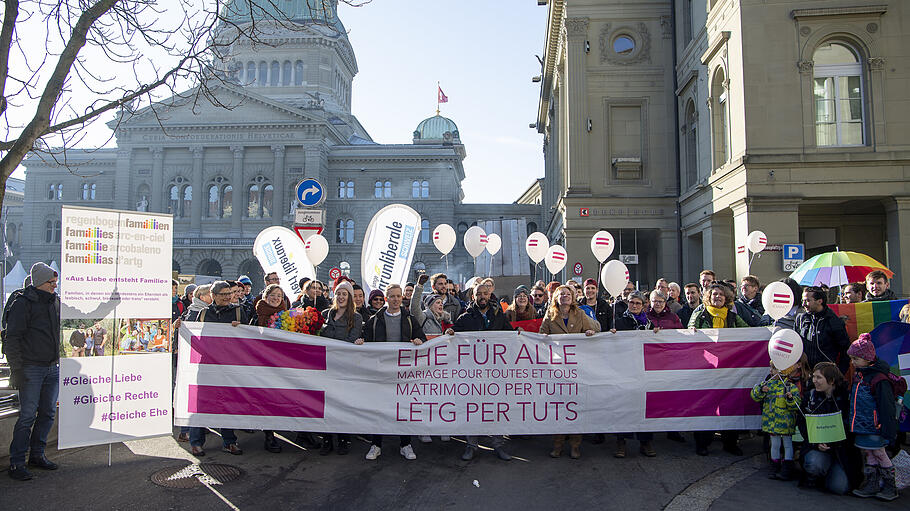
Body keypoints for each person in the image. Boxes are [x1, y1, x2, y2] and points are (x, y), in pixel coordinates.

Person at [5, 263, 61, 481]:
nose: (55, 286)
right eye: (51, 283)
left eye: (55, 283)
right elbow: (13, 338)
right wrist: (16, 369)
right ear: (39, 283)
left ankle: (37, 454)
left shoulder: (54, 302)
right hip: (31, 368)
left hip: (51, 367)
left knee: (48, 413)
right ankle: (16, 462)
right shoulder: (23, 304)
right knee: (27, 416)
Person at [448, 283, 514, 461]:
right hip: (473, 373)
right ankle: (471, 445)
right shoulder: (465, 317)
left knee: (496, 409)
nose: (482, 296)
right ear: (473, 296)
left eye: (485, 293)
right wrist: (451, 332)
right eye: (479, 294)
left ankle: (498, 444)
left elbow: (510, 336)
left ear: (490, 295)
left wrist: (520, 334)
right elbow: (455, 334)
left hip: (495, 372)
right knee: (472, 408)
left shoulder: (499, 316)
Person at [182, 280, 248, 457]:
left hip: (229, 365)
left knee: (227, 403)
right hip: (206, 366)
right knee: (200, 403)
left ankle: (229, 441)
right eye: (224, 295)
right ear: (213, 296)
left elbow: (250, 338)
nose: (228, 297)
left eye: (229, 294)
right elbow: (193, 338)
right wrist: (179, 328)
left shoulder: (238, 312)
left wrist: (240, 329)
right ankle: (196, 442)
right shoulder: (202, 314)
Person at [361, 284, 425, 461]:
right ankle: (376, 444)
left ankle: (405, 444)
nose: (396, 299)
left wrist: (419, 340)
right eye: (392, 296)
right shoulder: (375, 319)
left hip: (404, 372)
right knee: (379, 408)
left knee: (403, 408)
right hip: (381, 371)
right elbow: (366, 339)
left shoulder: (410, 319)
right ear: (386, 298)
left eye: (398, 296)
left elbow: (423, 338)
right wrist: (361, 341)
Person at [539, 285, 599, 459]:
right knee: (558, 407)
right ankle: (557, 445)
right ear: (556, 298)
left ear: (573, 298)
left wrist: (590, 332)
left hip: (576, 368)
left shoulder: (580, 314)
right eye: (561, 294)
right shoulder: (550, 315)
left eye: (567, 294)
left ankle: (575, 445)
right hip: (557, 369)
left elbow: (596, 329)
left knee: (575, 406)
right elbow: (541, 335)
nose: (564, 297)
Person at [689, 282, 748, 456]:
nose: (718, 297)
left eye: (721, 295)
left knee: (730, 405)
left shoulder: (732, 316)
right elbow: (690, 328)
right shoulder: (700, 314)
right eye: (714, 294)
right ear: (708, 297)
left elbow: (749, 332)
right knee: (706, 406)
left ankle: (730, 443)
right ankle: (702, 443)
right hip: (706, 368)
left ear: (727, 298)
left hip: (729, 368)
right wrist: (693, 330)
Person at [846, 334, 900, 500]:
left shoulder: (878, 379)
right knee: (869, 453)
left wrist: (887, 430)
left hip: (875, 426)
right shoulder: (860, 375)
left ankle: (890, 486)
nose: (853, 362)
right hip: (863, 425)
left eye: (856, 358)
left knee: (879, 452)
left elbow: (886, 407)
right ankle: (872, 483)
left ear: (867, 359)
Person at [610, 291, 657, 457]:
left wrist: (657, 335)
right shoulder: (619, 321)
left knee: (644, 405)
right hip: (623, 369)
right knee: (623, 405)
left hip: (643, 369)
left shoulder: (650, 324)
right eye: (632, 303)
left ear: (643, 305)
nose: (634, 306)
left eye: (638, 303)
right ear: (627, 303)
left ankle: (645, 442)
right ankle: (621, 442)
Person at [318, 281, 363, 456]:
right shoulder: (324, 314)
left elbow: (352, 339)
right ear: (334, 296)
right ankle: (327, 438)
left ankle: (344, 438)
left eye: (345, 294)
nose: (341, 297)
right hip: (326, 365)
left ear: (350, 297)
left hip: (345, 366)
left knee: (343, 403)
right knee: (327, 403)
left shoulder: (356, 317)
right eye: (339, 294)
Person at [799, 362, 854, 495]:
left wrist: (834, 442)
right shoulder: (810, 396)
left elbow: (850, 426)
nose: (814, 381)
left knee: (839, 488)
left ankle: (831, 474)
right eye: (814, 377)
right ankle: (814, 476)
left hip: (841, 450)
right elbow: (802, 423)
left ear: (831, 380)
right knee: (814, 464)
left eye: (819, 378)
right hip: (816, 447)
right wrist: (816, 443)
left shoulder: (846, 398)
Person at [751, 361, 802, 480]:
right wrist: (760, 390)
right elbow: (754, 396)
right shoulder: (767, 385)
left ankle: (787, 468)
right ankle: (774, 466)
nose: (770, 371)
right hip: (771, 423)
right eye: (771, 368)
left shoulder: (790, 387)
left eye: (773, 368)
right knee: (775, 445)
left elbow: (796, 405)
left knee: (788, 445)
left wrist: (790, 399)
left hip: (786, 424)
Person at [795, 286, 851, 373]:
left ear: (819, 301)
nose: (803, 304)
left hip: (826, 375)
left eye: (807, 301)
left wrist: (839, 373)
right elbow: (795, 344)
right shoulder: (801, 319)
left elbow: (845, 350)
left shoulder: (833, 321)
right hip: (805, 373)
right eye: (803, 301)